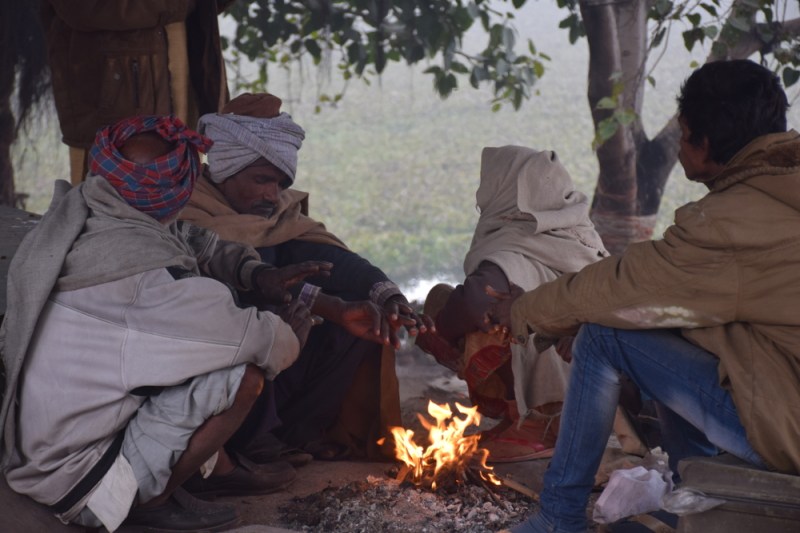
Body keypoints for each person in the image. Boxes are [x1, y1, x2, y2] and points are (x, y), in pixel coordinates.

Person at [485, 59, 800, 533]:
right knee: (651, 327)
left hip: (788, 425)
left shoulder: (731, 223)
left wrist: (523, 310)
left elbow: (627, 283)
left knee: (602, 340)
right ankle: (696, 494)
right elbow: (712, 302)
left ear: (704, 144)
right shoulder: (783, 188)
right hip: (784, 386)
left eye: (684, 133)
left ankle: (558, 517)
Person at [0, 115, 329, 532]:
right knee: (242, 376)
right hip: (82, 483)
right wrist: (289, 335)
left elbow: (188, 237)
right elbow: (254, 338)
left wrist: (256, 273)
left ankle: (214, 469)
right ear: (184, 186)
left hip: (46, 448)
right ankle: (149, 500)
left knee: (190, 359)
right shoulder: (147, 280)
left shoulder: (89, 213)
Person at [180, 92, 433, 462]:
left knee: (364, 321)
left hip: (282, 367)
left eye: (281, 182)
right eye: (262, 179)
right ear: (224, 169)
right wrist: (325, 304)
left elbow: (326, 257)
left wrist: (387, 295)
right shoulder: (187, 211)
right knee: (264, 318)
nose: (273, 193)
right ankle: (247, 442)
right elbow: (234, 289)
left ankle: (301, 431)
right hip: (216, 362)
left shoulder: (276, 210)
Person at [415, 146, 608, 462]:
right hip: (596, 387)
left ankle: (534, 424)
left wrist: (438, 333)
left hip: (564, 377)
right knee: (501, 312)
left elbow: (476, 300)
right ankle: (521, 415)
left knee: (458, 306)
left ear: (506, 190)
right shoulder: (577, 236)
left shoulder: (512, 246)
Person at [40, 0, 233, 185]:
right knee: (110, 203)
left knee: (185, 198)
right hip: (117, 97)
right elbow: (82, 7)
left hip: (184, 83)